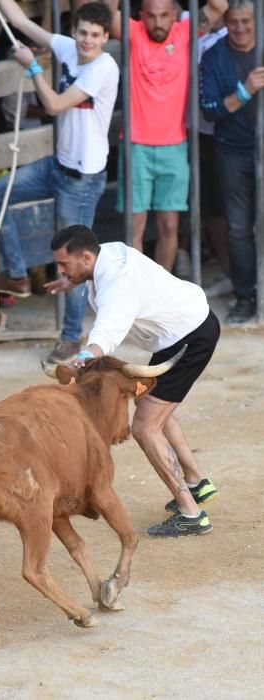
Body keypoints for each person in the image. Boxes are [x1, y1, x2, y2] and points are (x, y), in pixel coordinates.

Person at [45, 224, 220, 537]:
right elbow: (105, 292)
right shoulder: (106, 253)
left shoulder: (117, 284)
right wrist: (70, 279)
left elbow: (107, 333)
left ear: (86, 257)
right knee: (149, 405)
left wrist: (80, 360)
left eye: (64, 264)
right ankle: (196, 483)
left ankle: (191, 514)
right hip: (181, 333)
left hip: (189, 339)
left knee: (143, 426)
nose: (60, 269)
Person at [0, 0, 120, 363]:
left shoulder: (103, 68)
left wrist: (33, 70)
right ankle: (16, 274)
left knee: (75, 263)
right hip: (58, 166)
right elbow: (18, 19)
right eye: (82, 33)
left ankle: (72, 338)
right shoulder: (67, 46)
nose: (86, 40)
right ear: (74, 31)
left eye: (94, 35)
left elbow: (56, 104)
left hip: (81, 180)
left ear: (105, 37)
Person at [106, 0, 227, 273]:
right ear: (141, 15)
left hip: (174, 145)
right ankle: (135, 292)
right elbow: (106, 12)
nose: (157, 23)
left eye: (163, 16)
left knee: (170, 225)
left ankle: (160, 292)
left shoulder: (184, 33)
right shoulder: (134, 32)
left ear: (175, 15)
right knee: (133, 227)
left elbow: (220, 6)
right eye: (151, 16)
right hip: (136, 145)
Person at [200, 0, 264, 324]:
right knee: (238, 228)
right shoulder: (214, 56)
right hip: (233, 150)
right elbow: (210, 110)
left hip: (261, 145)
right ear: (225, 21)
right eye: (234, 21)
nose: (240, 28)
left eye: (246, 22)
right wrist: (245, 90)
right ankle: (246, 295)